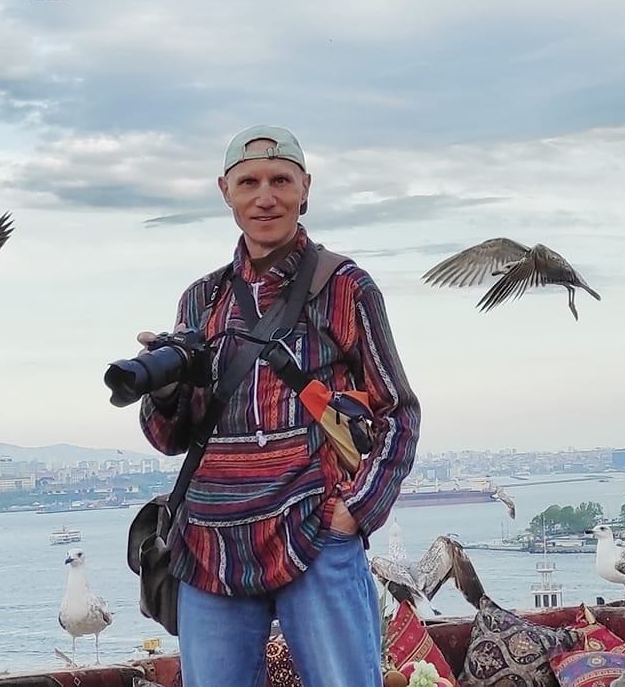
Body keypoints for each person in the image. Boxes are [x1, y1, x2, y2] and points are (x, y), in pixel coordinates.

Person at [138, 124, 421, 687]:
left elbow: (398, 412)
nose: (264, 196)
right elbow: (168, 436)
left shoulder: (344, 286)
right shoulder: (202, 299)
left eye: (279, 180)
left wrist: (356, 512)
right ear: (226, 191)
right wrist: (163, 390)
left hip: (313, 528)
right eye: (249, 182)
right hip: (211, 542)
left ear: (304, 188)